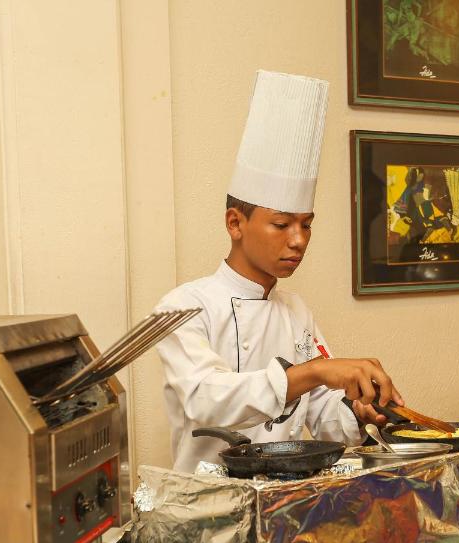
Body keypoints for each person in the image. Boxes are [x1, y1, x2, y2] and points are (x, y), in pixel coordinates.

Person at [155, 70, 403, 473]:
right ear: (235, 223)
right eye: (282, 224)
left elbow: (323, 416)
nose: (298, 240)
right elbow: (205, 399)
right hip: (210, 503)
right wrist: (316, 370)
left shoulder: (295, 310)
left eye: (306, 224)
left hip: (287, 498)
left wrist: (358, 413)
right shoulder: (184, 306)